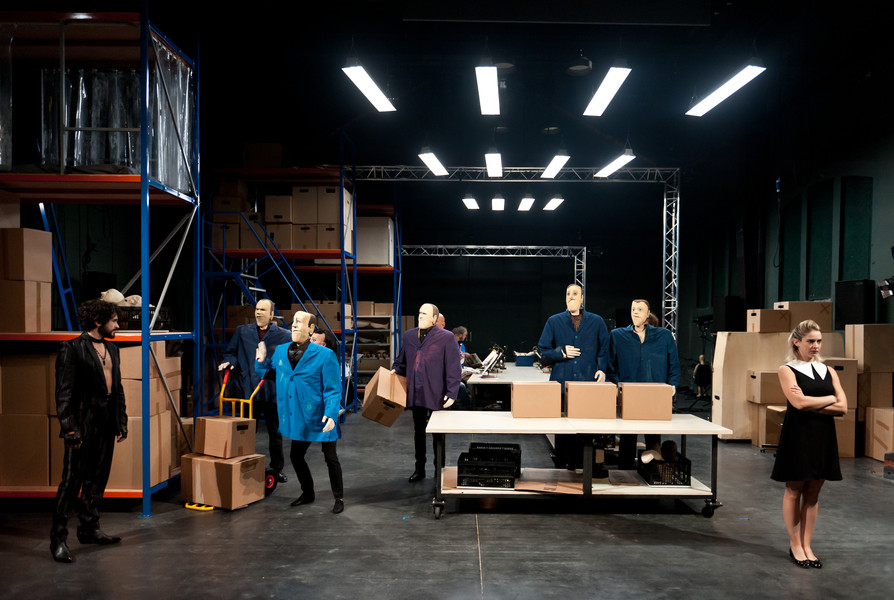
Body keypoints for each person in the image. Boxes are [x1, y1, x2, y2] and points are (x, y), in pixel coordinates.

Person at [51, 299, 128, 563]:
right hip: (82, 425)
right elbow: (63, 394)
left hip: (106, 424)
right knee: (70, 483)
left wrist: (121, 420)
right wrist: (70, 430)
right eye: (114, 321)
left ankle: (89, 528)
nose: (118, 325)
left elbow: (117, 388)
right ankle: (58, 539)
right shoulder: (72, 348)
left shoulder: (112, 348)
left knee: (97, 479)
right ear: (98, 322)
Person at [771, 320, 846, 568]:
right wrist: (829, 398)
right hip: (799, 435)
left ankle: (807, 545)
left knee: (813, 493)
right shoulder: (787, 370)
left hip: (823, 436)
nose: (816, 345)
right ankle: (795, 545)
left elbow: (843, 407)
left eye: (819, 341)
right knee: (794, 490)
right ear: (797, 342)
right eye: (810, 341)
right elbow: (798, 404)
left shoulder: (829, 371)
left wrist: (812, 402)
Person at [256, 311, 345, 513]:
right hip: (298, 415)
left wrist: (331, 414)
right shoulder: (281, 351)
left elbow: (333, 389)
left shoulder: (325, 355)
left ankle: (338, 497)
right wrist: (260, 360)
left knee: (330, 458)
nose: (294, 325)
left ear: (311, 329)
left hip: (320, 415)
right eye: (293, 322)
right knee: (296, 456)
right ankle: (308, 493)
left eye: (299, 322)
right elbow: (268, 372)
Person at [538, 283, 609, 469]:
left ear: (582, 298)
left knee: (585, 426)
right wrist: (561, 352)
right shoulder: (554, 321)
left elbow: (604, 348)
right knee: (562, 427)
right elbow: (543, 348)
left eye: (575, 293)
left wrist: (602, 369)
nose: (571, 296)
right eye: (568, 293)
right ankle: (562, 465)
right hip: (561, 383)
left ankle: (582, 466)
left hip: (587, 383)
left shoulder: (597, 321)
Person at [220, 298, 291, 483]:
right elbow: (230, 352)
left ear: (271, 314)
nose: (258, 312)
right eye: (257, 309)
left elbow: (290, 359)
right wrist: (229, 362)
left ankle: (276, 469)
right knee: (246, 431)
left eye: (263, 310)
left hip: (271, 391)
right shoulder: (242, 331)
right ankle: (244, 465)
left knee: (275, 432)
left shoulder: (284, 336)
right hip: (248, 390)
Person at [607, 299, 681, 470]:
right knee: (627, 436)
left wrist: (672, 385)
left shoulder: (664, 336)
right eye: (633, 309)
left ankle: (654, 471)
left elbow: (674, 364)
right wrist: (618, 387)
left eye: (640, 309)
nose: (635, 312)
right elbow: (610, 366)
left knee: (653, 436)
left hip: (655, 395)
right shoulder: (617, 336)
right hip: (629, 395)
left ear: (648, 314)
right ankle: (625, 473)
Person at [392, 303, 461, 482]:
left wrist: (452, 392)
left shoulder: (446, 337)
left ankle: (440, 471)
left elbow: (454, 366)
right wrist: (395, 369)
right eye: (420, 312)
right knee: (418, 432)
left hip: (438, 393)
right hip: (416, 392)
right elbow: (402, 360)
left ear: (434, 318)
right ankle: (419, 469)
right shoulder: (409, 336)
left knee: (438, 434)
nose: (421, 316)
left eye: (425, 313)